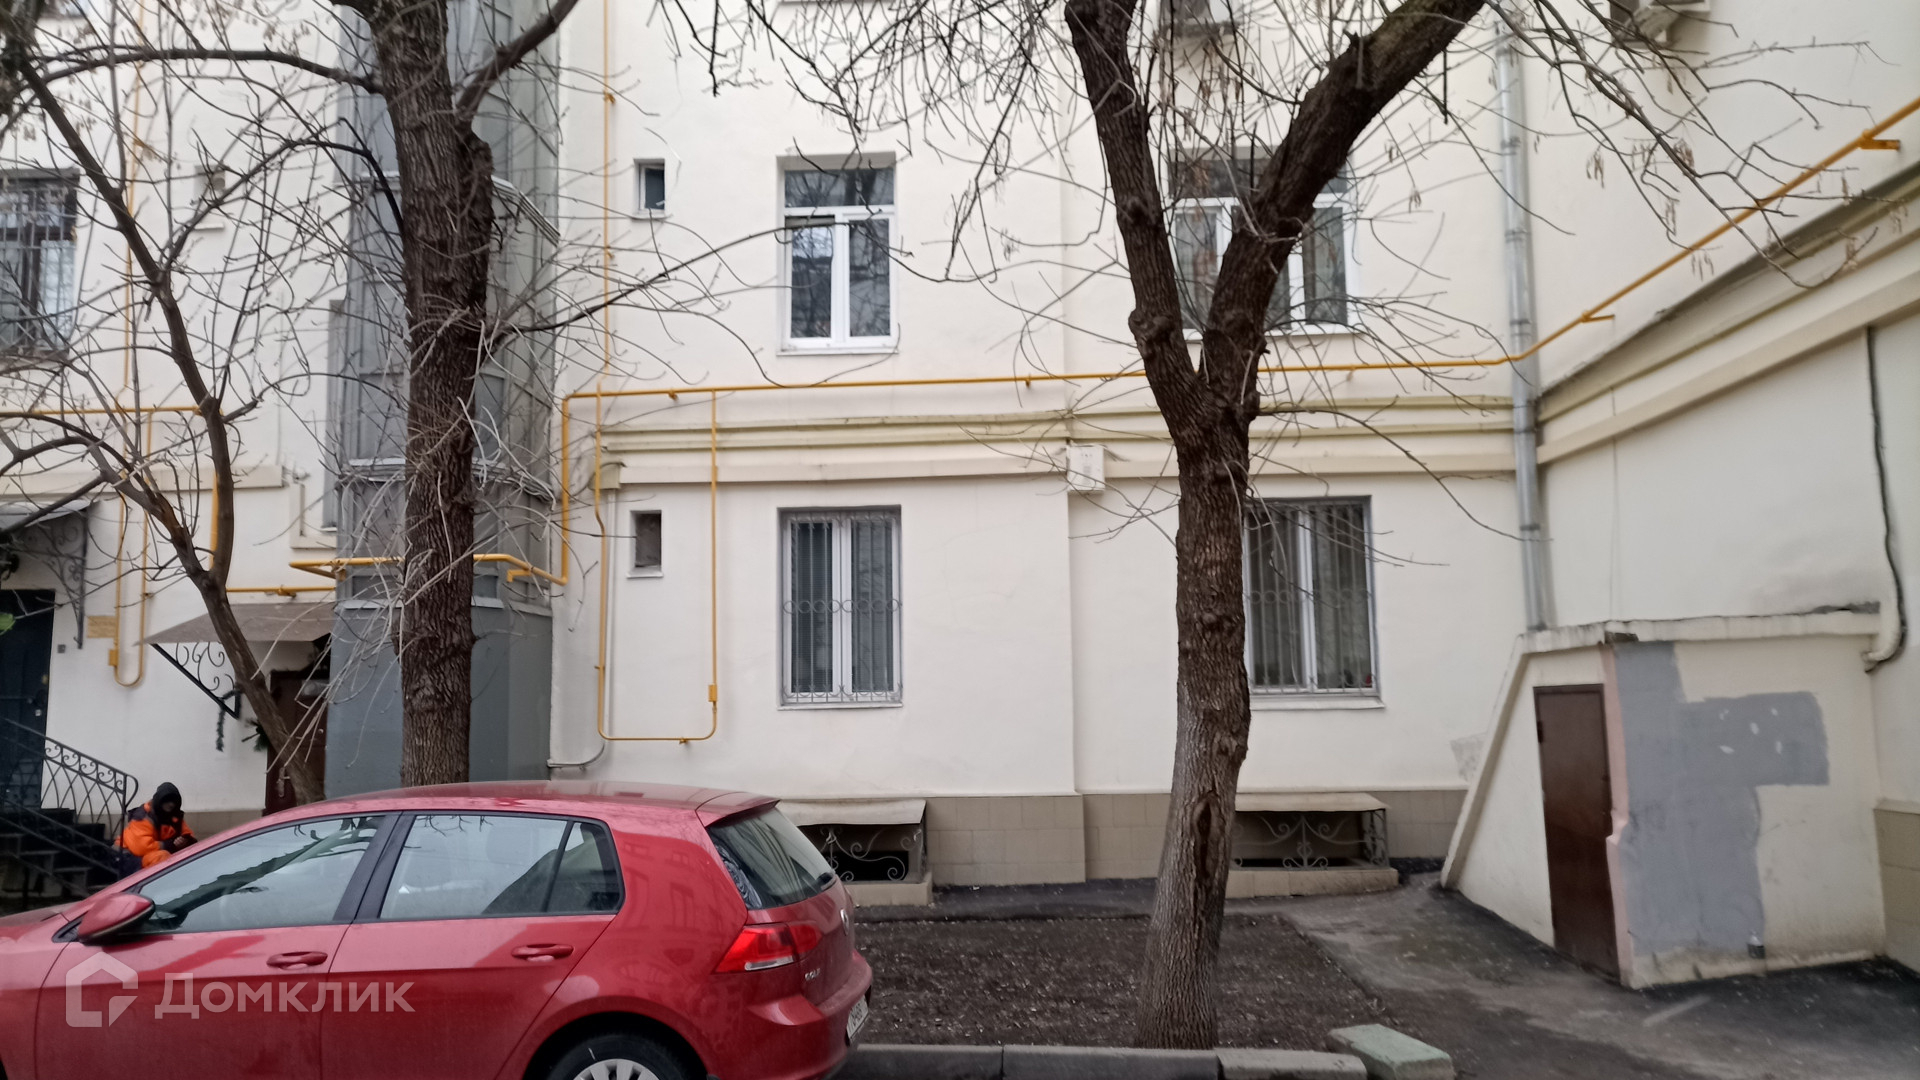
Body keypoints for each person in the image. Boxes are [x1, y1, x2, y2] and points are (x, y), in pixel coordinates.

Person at [121, 782, 197, 868]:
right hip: (130, 857)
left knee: (190, 853)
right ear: (160, 800)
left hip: (156, 853)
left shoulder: (174, 814)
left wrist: (185, 841)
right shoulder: (142, 817)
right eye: (167, 800)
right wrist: (172, 844)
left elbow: (188, 835)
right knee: (162, 857)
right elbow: (141, 848)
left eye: (174, 801)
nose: (171, 804)